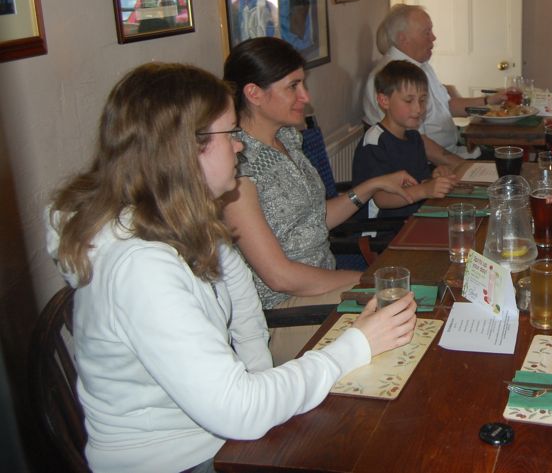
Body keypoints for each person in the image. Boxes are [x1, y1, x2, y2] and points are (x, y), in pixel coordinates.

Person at [46, 62, 417, 473]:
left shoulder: (191, 223)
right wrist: (355, 344)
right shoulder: (140, 268)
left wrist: (263, 394)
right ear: (185, 150)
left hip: (222, 436)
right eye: (230, 135)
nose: (240, 147)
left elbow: (247, 321)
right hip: (177, 461)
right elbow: (237, 409)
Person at [223, 37, 417, 365]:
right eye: (293, 86)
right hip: (287, 314)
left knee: (415, 308)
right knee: (407, 329)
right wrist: (364, 280)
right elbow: (279, 277)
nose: (306, 97)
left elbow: (314, 219)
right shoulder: (237, 166)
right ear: (254, 93)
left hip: (323, 290)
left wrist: (370, 186)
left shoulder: (286, 139)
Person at [362, 4, 504, 164]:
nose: (434, 38)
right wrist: (463, 167)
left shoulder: (421, 65)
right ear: (403, 39)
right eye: (426, 32)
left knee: (509, 158)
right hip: (431, 165)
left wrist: (489, 102)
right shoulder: (389, 77)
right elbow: (418, 143)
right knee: (509, 168)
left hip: (454, 151)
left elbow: (447, 106)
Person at [353, 60, 459, 220]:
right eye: (409, 101)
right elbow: (382, 199)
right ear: (384, 101)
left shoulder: (414, 138)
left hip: (415, 218)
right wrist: (425, 190)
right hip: (384, 230)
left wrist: (435, 177)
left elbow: (419, 181)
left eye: (422, 100)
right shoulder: (375, 143)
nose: (418, 109)